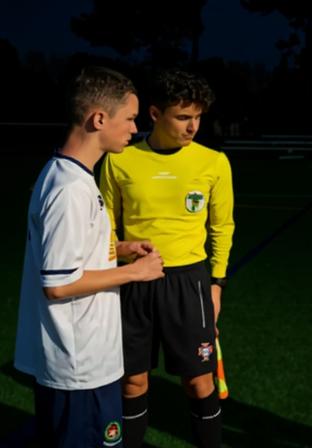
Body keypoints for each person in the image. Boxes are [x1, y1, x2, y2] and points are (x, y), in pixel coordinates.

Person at [14, 66, 165, 447]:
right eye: (129, 118)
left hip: (82, 362)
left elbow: (71, 258)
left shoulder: (71, 176)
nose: (135, 128)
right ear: (99, 118)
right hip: (79, 367)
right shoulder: (70, 190)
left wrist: (120, 251)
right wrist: (137, 273)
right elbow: (59, 284)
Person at [99, 69, 235, 448]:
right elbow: (105, 227)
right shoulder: (120, 160)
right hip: (133, 283)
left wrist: (217, 284)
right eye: (182, 117)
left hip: (188, 283)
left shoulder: (214, 163)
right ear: (155, 114)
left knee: (198, 381)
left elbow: (222, 227)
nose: (193, 126)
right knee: (132, 380)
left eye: (197, 117)